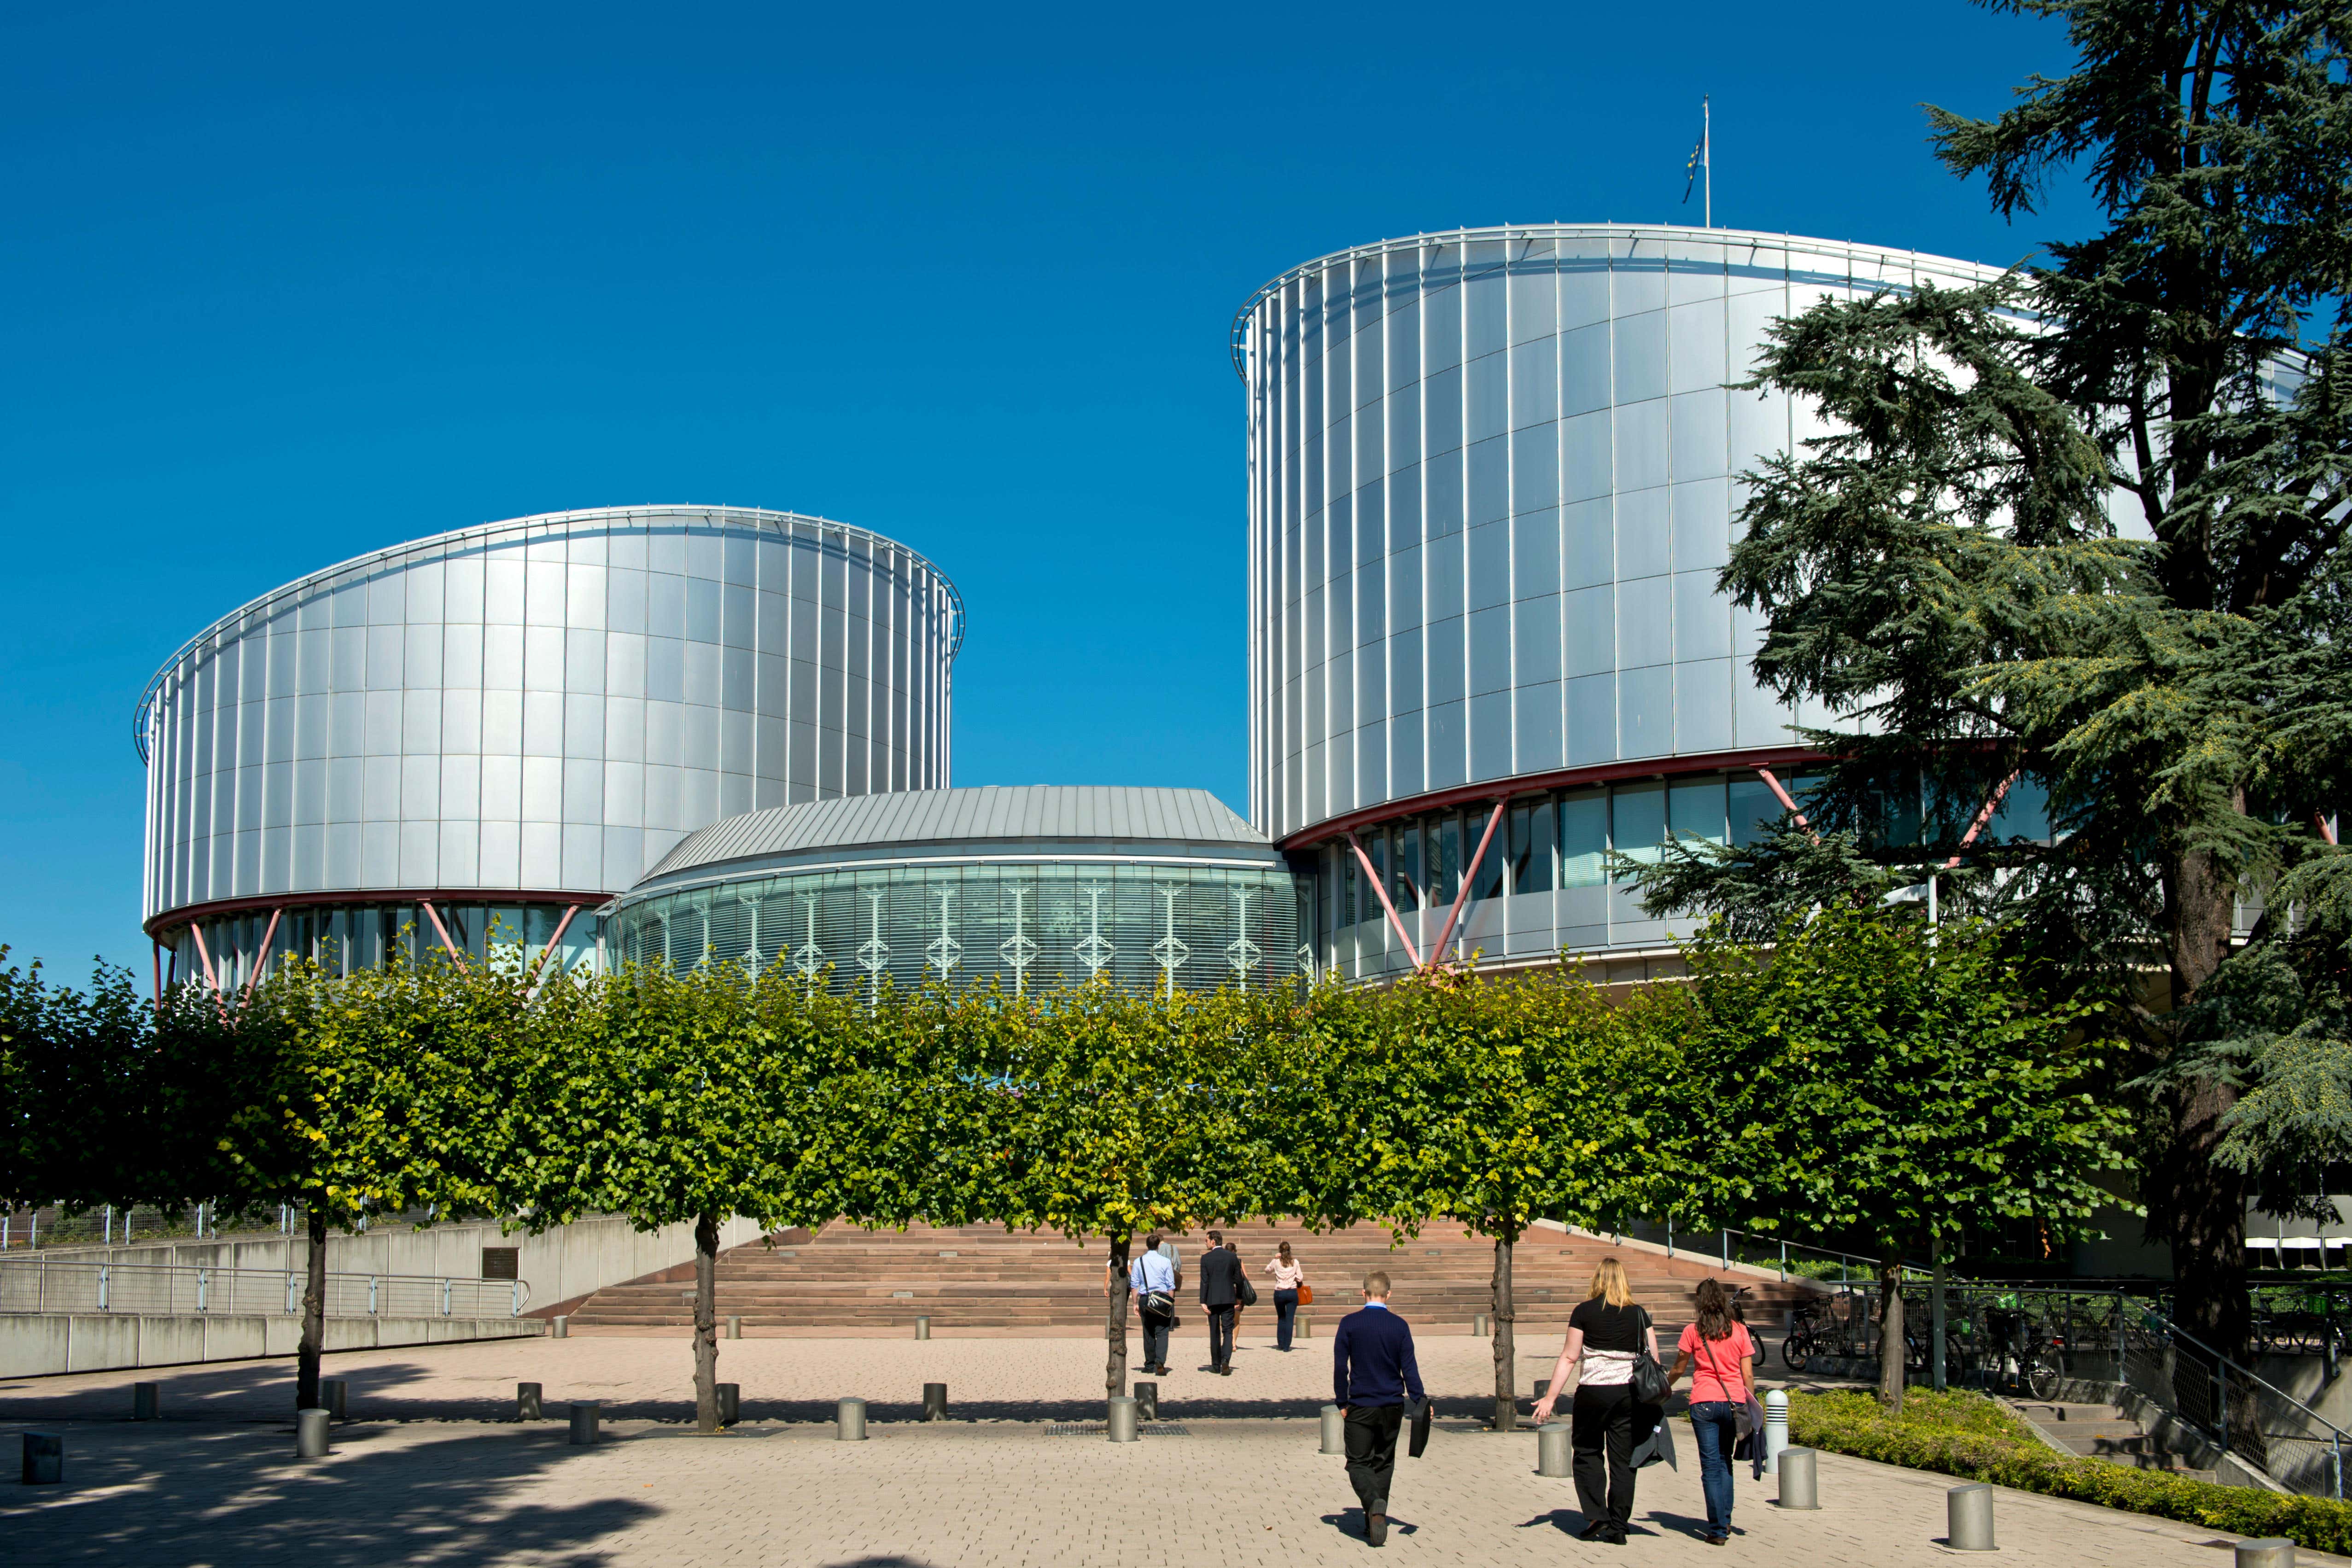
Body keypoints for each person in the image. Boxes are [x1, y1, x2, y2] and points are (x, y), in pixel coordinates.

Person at [1530, 1257, 1661, 1545]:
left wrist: (1550, 1397)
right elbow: (1655, 1358)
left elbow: (1569, 1356)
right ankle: (1618, 1526)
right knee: (1623, 1461)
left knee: (1588, 1452)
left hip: (1593, 1393)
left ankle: (1595, 1514)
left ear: (1598, 1281)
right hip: (1629, 1395)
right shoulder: (1640, 1314)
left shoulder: (1584, 1312)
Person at [1332, 1269, 1424, 1548]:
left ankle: (1373, 1503)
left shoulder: (1349, 1324)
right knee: (1383, 1461)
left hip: (1360, 1403)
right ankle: (1375, 1519)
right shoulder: (1400, 1326)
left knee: (1358, 1462)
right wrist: (1420, 1400)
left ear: (1363, 1293)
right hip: (1392, 1405)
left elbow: (1340, 1367)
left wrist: (1342, 1401)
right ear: (1389, 1294)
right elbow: (1409, 1368)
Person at [1670, 1278, 1757, 1545]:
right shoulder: (1740, 1330)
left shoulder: (1693, 1331)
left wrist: (1664, 1388)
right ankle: (1726, 1521)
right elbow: (1748, 1374)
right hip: (1734, 1403)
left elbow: (1679, 1369)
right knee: (1725, 1462)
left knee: (1710, 1467)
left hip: (1704, 1403)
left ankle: (1717, 1530)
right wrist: (1751, 1404)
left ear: (1700, 1302)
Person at [1196, 1229, 1244, 1375]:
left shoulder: (1206, 1258)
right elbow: (1239, 1280)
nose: (1205, 1243)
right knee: (1228, 1330)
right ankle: (1226, 1361)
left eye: (1206, 1240)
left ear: (1213, 1241)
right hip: (1229, 1298)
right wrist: (1239, 1298)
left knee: (1214, 1332)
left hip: (1212, 1299)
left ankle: (1216, 1364)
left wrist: (1203, 1301)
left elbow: (1204, 1281)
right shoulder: (1232, 1257)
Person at [1130, 1232, 1177, 1377]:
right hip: (1161, 1298)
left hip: (1145, 1298)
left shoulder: (1139, 1261)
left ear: (1147, 1245)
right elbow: (1171, 1285)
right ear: (1158, 1246)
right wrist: (1170, 1302)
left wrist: (1134, 1303)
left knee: (1148, 1332)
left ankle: (1149, 1364)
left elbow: (1134, 1285)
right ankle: (1160, 1361)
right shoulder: (1165, 1262)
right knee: (1162, 1332)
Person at [1266, 1241, 1306, 1351]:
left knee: (1281, 1318)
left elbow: (1267, 1270)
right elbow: (1300, 1278)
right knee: (1290, 1319)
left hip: (1279, 1292)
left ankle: (1281, 1343)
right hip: (1292, 1292)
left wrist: (1274, 1259)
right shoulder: (1295, 1262)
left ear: (1280, 1251)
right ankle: (1287, 1346)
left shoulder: (1276, 1262)